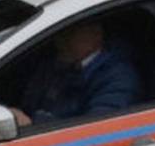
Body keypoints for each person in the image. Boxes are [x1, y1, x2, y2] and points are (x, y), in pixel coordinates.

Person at [9, 17, 142, 129]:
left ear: (96, 34)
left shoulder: (118, 78)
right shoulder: (55, 64)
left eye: (70, 33)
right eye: (60, 34)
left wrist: (32, 124)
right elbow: (29, 102)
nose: (61, 41)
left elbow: (95, 130)